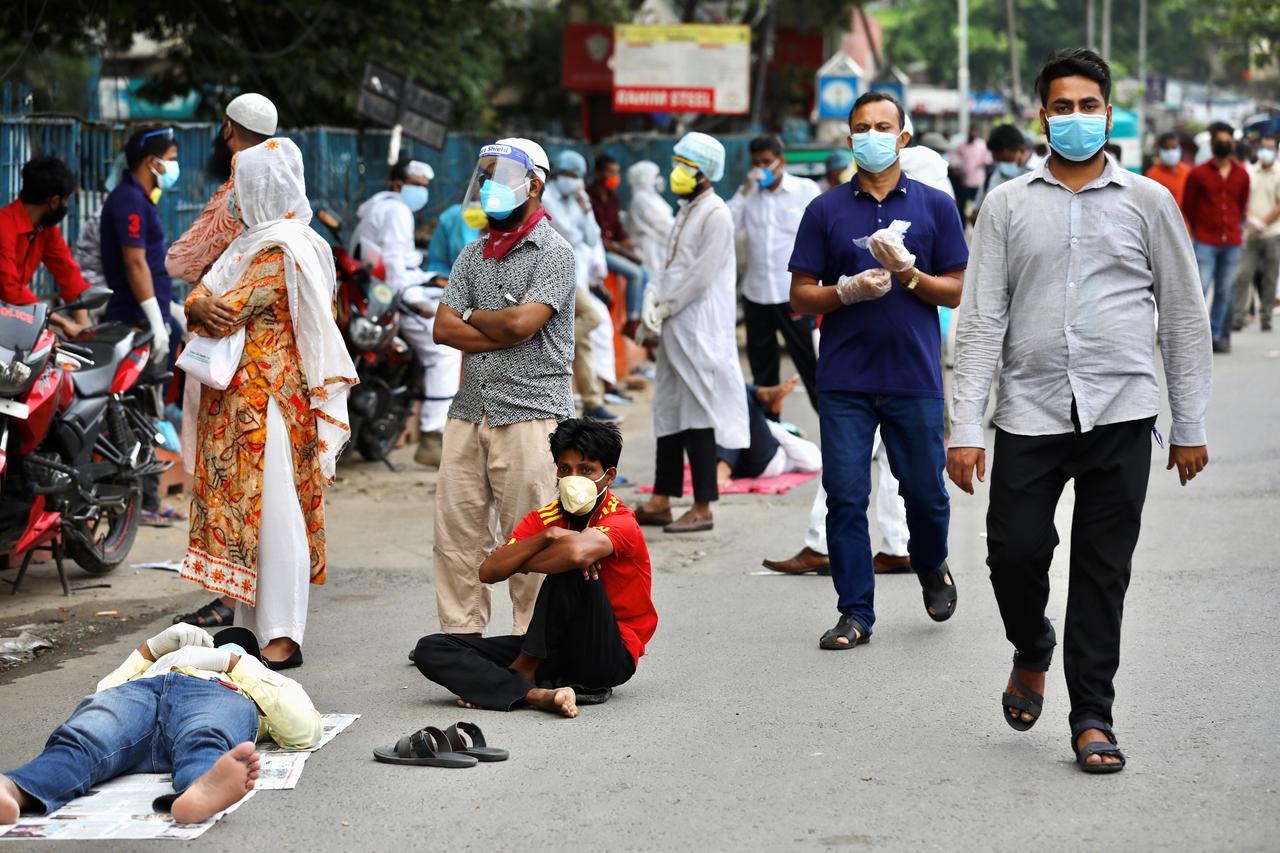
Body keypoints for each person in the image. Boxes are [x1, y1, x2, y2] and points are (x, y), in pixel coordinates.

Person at [949, 48, 1212, 773]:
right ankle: (1033, 643)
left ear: (1107, 112)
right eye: (1060, 107)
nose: (1073, 118)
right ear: (1042, 116)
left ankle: (1092, 714)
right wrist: (965, 428)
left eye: (1086, 105)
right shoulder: (1005, 203)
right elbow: (980, 319)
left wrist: (1188, 425)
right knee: (1014, 552)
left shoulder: (1149, 202)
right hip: (1029, 411)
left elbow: (1183, 317)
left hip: (1121, 411)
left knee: (1103, 570)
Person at [788, 91, 967, 650]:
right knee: (845, 494)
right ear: (849, 139)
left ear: (903, 137)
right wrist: (845, 291)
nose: (872, 135)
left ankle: (931, 564)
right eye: (861, 127)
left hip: (913, 375)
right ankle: (855, 612)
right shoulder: (826, 210)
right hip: (845, 379)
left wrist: (910, 273)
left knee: (925, 493)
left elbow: (955, 291)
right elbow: (800, 295)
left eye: (882, 126)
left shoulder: (936, 206)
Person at [180, 138, 357, 670]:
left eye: (241, 188)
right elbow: (197, 298)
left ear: (260, 189)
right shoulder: (251, 245)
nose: (233, 199)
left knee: (276, 516)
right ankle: (253, 631)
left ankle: (283, 634)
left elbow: (221, 308)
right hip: (241, 405)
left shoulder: (283, 247)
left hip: (269, 404)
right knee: (250, 518)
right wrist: (197, 302)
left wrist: (197, 302)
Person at [431, 138, 578, 637]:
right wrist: (495, 324)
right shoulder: (474, 253)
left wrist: (474, 318)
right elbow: (442, 329)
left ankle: (531, 643)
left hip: (531, 413)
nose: (489, 186)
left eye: (500, 176)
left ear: (533, 185)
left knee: (532, 537)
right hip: (469, 412)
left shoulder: (554, 254)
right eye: (486, 176)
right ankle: (461, 638)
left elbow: (522, 324)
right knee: (457, 534)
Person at [414, 419, 656, 717]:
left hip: (607, 654)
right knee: (433, 648)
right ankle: (534, 694)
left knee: (571, 566)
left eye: (586, 470)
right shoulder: (546, 519)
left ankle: (520, 673)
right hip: (553, 651)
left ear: (609, 477)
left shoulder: (620, 520)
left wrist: (524, 561)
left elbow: (577, 554)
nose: (573, 478)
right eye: (565, 469)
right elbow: (488, 571)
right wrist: (547, 537)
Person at [0, 623, 320, 825]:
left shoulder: (251, 679)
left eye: (231, 647)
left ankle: (198, 790)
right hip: (140, 692)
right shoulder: (156, 665)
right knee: (86, 736)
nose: (217, 648)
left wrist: (232, 662)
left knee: (206, 735)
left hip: (213, 693)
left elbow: (304, 729)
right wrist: (151, 650)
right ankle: (13, 790)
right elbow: (102, 694)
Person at [168, 93, 277, 631]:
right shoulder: (286, 215)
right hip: (254, 371)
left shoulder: (244, 203)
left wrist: (199, 296)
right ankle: (247, 601)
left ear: (229, 131)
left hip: (235, 366)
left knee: (232, 489)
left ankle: (237, 601)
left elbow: (181, 261)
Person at [633, 133, 749, 534]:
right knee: (667, 409)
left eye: (684, 164)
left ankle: (702, 507)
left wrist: (667, 304)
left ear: (704, 170)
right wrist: (651, 299)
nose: (676, 171)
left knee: (698, 412)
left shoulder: (716, 212)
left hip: (699, 325)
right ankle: (661, 500)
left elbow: (701, 275)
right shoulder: (686, 209)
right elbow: (668, 264)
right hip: (674, 322)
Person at [349, 158, 460, 466]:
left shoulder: (375, 207)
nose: (420, 193)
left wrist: (426, 278)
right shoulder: (397, 211)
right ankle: (431, 434)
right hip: (391, 296)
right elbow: (396, 272)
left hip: (376, 293)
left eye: (424, 188)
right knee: (446, 349)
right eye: (416, 186)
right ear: (398, 184)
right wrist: (420, 295)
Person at [728, 134, 821, 406]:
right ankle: (769, 436)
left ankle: (833, 431)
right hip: (756, 294)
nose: (762, 169)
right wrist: (743, 191)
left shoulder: (805, 190)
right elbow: (726, 226)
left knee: (812, 365)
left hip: (794, 294)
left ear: (781, 161)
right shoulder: (749, 196)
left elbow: (824, 235)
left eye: (767, 162)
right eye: (756, 163)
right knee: (763, 370)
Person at [543, 149, 619, 424]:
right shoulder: (547, 196)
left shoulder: (576, 200)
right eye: (568, 174)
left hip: (573, 274)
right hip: (551, 272)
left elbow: (590, 236)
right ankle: (545, 346)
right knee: (592, 319)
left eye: (576, 176)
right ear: (558, 173)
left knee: (583, 340)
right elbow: (568, 233)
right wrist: (581, 221)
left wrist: (586, 211)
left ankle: (592, 401)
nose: (572, 180)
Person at [0, 155, 90, 336]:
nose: (66, 207)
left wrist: (84, 327)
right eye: (66, 201)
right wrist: (64, 323)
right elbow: (9, 290)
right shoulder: (4, 225)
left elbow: (67, 271)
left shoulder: (44, 229)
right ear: (54, 201)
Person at [1183, 121, 1250, 353]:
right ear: (1212, 145)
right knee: (1200, 287)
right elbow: (1188, 206)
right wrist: (1198, 230)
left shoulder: (1242, 174)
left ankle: (1217, 334)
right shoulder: (1198, 174)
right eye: (1219, 141)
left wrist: (1232, 225)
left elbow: (1241, 205)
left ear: (1232, 144)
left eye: (1227, 141)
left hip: (1232, 241)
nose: (1223, 145)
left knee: (1224, 290)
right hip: (1205, 241)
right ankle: (1195, 335)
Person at [716, 380, 822, 486]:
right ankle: (762, 395)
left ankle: (762, 395)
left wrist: (771, 424)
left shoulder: (805, 448)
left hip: (766, 462)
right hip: (741, 456)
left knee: (737, 392)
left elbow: (814, 463)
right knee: (728, 385)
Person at [588, 154, 649, 325]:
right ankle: (632, 320)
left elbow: (617, 231)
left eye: (617, 173)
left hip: (613, 248)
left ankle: (641, 317)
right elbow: (600, 240)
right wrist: (626, 253)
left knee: (645, 273)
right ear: (599, 174)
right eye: (610, 173)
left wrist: (629, 247)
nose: (615, 178)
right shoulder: (589, 197)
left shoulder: (613, 198)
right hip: (599, 252)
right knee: (636, 274)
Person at [1232, 135, 1280, 332]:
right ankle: (1238, 316)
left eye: (1270, 148)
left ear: (1276, 151)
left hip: (1272, 233)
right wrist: (1251, 219)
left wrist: (1263, 223)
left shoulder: (1278, 173)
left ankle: (1266, 315)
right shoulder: (1250, 173)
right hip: (1250, 233)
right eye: (1263, 147)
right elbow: (1242, 200)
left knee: (1269, 277)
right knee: (1243, 274)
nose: (1266, 151)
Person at [625, 160, 675, 285]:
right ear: (645, 177)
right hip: (648, 249)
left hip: (659, 247)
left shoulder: (652, 197)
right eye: (656, 176)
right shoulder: (641, 199)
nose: (659, 179)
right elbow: (662, 224)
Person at [972, 124, 1029, 218]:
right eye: (998, 160)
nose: (1002, 164)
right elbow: (976, 213)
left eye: (1008, 160)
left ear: (1021, 150)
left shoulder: (1036, 180)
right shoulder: (990, 179)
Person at [950, 125, 991, 216]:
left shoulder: (982, 144)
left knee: (978, 205)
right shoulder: (962, 145)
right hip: (965, 181)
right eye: (971, 132)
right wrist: (957, 168)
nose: (972, 134)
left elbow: (988, 158)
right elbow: (954, 158)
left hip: (978, 181)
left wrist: (981, 163)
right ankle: (964, 225)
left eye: (974, 132)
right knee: (964, 205)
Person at [1145, 131, 1191, 208]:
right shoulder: (1152, 175)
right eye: (1166, 148)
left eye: (1174, 147)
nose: (1171, 152)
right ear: (1159, 150)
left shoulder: (1187, 171)